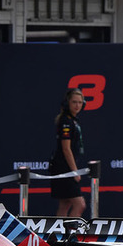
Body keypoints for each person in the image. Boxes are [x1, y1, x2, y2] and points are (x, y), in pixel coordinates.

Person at [48, 88, 87, 217]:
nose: (77, 105)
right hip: (64, 169)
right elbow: (66, 149)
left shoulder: (73, 120)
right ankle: (71, 234)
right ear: (67, 103)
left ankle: (59, 235)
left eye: (80, 102)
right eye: (74, 102)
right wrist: (74, 171)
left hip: (66, 168)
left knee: (65, 204)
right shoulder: (66, 121)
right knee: (79, 204)